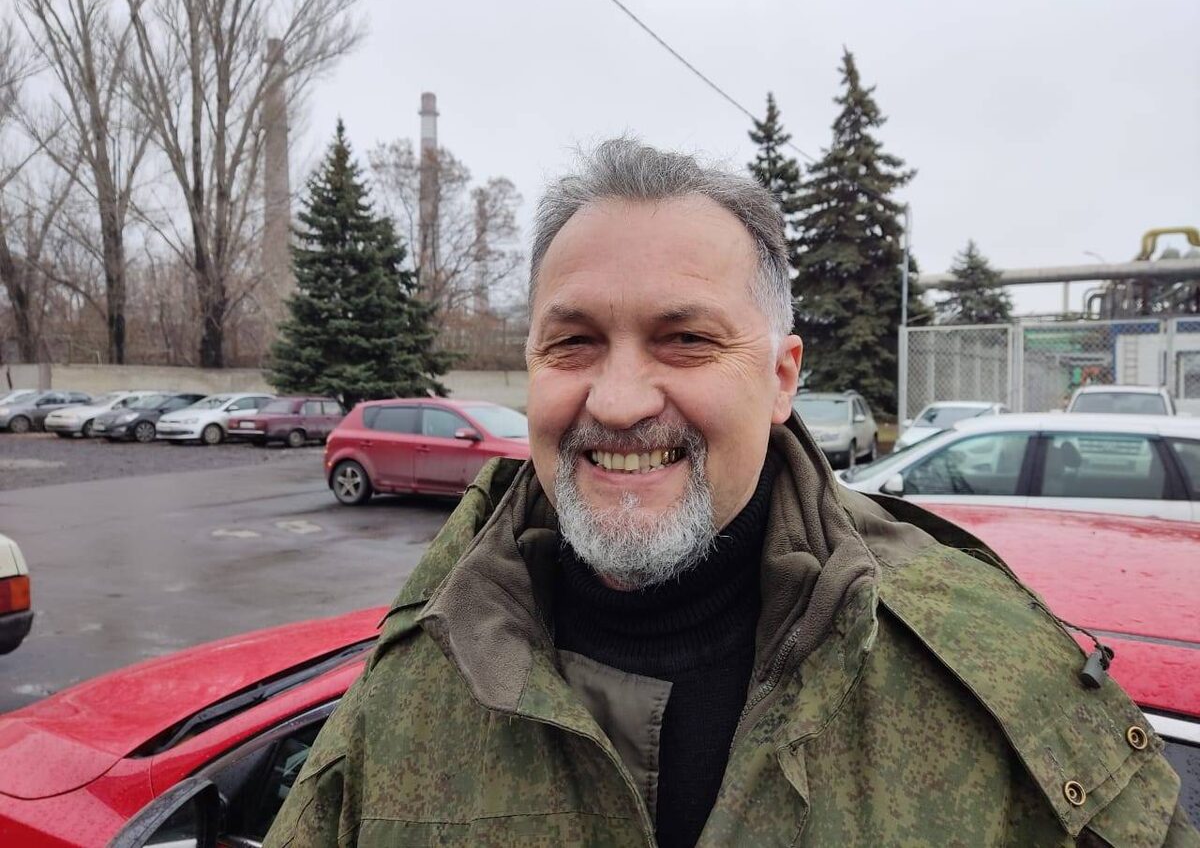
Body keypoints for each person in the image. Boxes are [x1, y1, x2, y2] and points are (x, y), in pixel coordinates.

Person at [266, 139, 1197, 847]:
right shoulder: (418, 670)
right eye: (574, 342)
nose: (619, 401)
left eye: (686, 340)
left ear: (782, 377)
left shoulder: (983, 667)